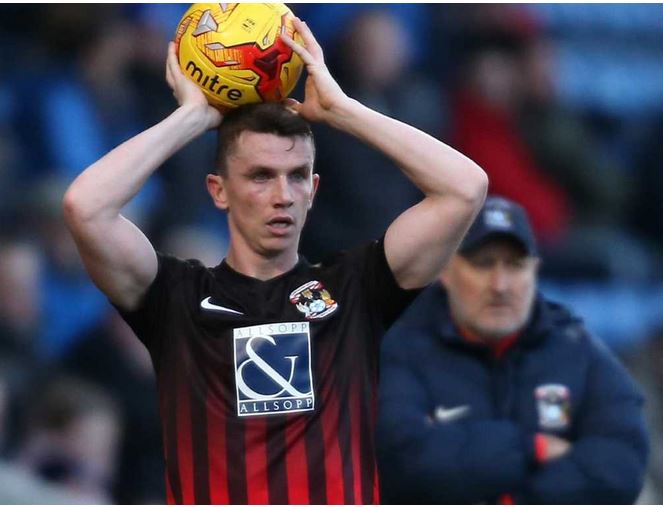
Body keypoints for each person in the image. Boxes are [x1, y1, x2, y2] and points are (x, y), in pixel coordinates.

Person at [62, 16, 487, 505]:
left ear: (314, 189)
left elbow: (465, 188)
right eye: (261, 176)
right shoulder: (175, 296)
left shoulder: (355, 288)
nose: (282, 195)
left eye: (297, 175)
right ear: (218, 191)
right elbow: (85, 207)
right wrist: (193, 118)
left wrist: (344, 111)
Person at [377, 196, 649, 504]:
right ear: (446, 270)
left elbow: (623, 468)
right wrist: (533, 448)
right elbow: (403, 461)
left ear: (535, 271)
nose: (500, 285)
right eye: (483, 263)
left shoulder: (575, 346)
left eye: (515, 264)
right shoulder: (401, 347)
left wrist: (512, 495)